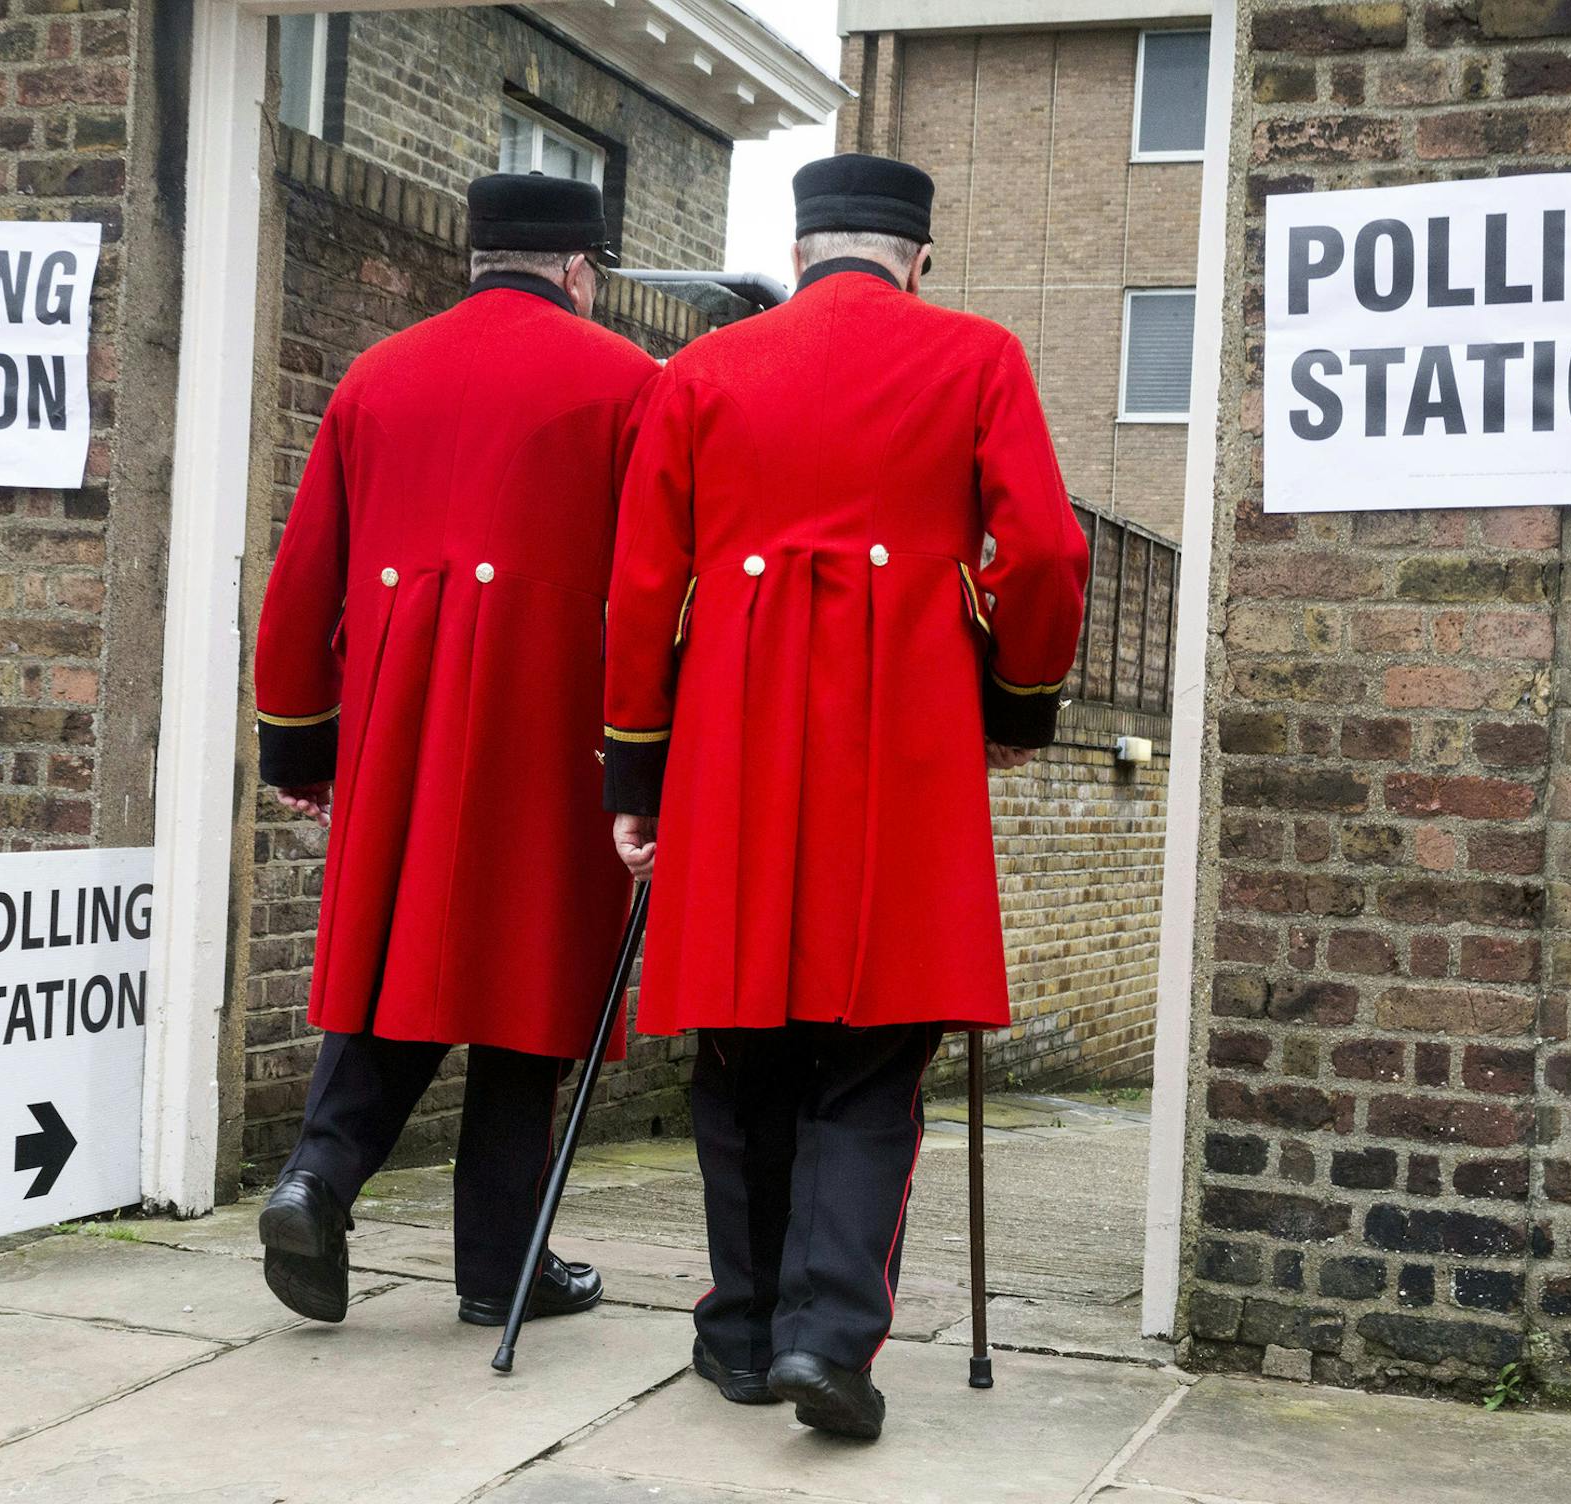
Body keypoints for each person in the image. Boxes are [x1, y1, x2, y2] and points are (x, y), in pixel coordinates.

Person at [602, 153, 1090, 1439]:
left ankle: (744, 1329)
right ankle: (830, 1337)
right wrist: (1019, 698)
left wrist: (636, 774)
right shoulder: (976, 353)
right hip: (904, 746)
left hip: (733, 745)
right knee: (874, 1055)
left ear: (804, 245)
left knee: (744, 1042)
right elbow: (1045, 548)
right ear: (917, 256)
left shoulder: (701, 370)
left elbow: (643, 588)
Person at [253, 173, 656, 1329]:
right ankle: (500, 1266)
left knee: (397, 958)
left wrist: (302, 749)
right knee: (527, 972)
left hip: (398, 726)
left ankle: (316, 1177)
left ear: (477, 260)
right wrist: (649, 754)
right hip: (551, 722)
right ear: (578, 268)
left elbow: (300, 588)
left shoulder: (374, 378)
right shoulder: (630, 383)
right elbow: (644, 586)